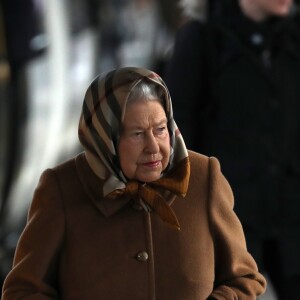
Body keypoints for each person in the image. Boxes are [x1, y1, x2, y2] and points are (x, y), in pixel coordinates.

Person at [1, 67, 266, 299]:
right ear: (105, 139)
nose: (154, 147)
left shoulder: (203, 177)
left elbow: (244, 279)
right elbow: (22, 291)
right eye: (138, 134)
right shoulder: (61, 188)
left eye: (161, 129)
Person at [163, 0, 300, 298]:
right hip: (228, 220)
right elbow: (175, 138)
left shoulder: (293, 39)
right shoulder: (202, 40)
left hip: (291, 220)